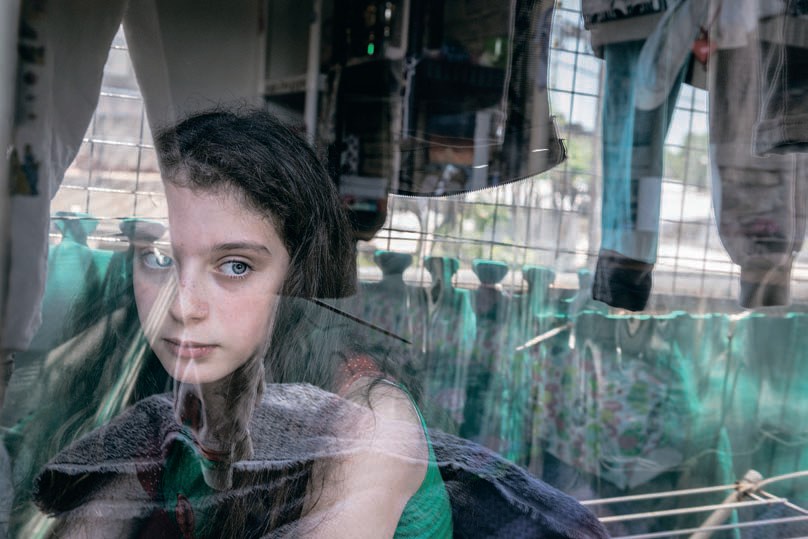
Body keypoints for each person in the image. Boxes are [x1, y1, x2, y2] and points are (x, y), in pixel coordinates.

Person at [21, 109, 608, 539]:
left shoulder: (368, 422)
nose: (182, 305)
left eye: (235, 265)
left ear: (299, 280)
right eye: (158, 257)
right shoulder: (165, 406)